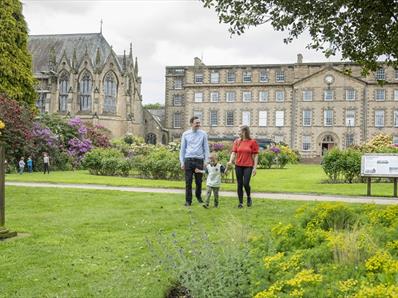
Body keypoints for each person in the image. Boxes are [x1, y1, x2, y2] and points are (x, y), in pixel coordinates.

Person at [179, 116, 210, 207]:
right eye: (196, 123)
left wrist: (206, 160)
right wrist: (182, 162)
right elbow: (182, 149)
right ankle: (188, 201)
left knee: (199, 181)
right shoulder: (185, 134)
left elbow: (206, 148)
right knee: (188, 182)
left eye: (199, 123)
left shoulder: (203, 134)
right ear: (191, 123)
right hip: (188, 160)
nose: (198, 125)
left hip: (199, 160)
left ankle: (198, 197)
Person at [228, 125, 259, 208]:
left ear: (245, 131)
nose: (238, 132)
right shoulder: (237, 142)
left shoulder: (252, 142)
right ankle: (240, 203)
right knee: (239, 184)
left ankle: (249, 197)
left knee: (246, 183)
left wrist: (255, 168)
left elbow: (255, 155)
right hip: (238, 165)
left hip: (248, 166)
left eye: (239, 131)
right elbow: (234, 153)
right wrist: (230, 161)